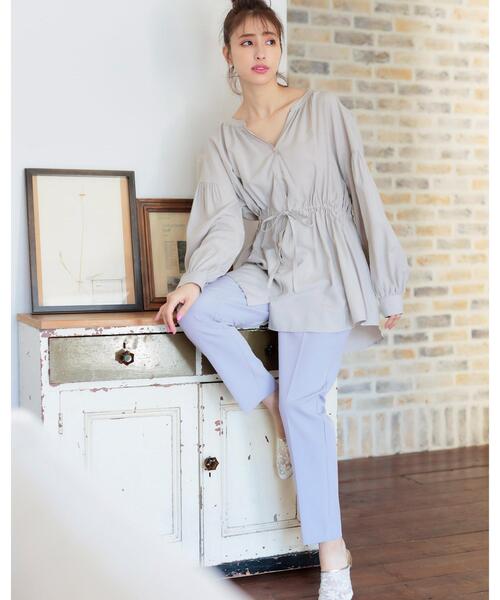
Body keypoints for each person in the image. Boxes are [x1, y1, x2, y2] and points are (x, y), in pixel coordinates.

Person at [154, 1, 410, 598]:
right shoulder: (224, 140)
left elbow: (363, 191)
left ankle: (333, 557)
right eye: (247, 42)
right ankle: (267, 398)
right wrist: (193, 282)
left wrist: (386, 282)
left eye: (269, 40)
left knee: (305, 405)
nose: (261, 52)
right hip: (270, 267)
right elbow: (223, 224)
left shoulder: (323, 110)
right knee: (201, 312)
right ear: (227, 54)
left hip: (326, 273)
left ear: (280, 48)